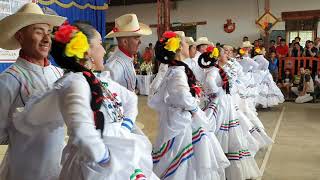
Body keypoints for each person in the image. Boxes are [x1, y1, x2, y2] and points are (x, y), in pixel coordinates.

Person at [15, 22, 159, 180]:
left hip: (116, 151)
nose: (104, 50)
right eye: (99, 44)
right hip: (92, 163)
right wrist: (104, 156)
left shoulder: (99, 79)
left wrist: (124, 128)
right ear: (87, 50)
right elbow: (81, 130)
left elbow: (131, 98)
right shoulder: (74, 83)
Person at [149, 31, 229, 180]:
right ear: (179, 47)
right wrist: (194, 109)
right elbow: (182, 95)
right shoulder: (178, 71)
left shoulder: (176, 68)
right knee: (183, 157)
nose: (189, 46)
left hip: (179, 118)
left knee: (185, 157)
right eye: (186, 43)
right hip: (182, 121)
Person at [0, 3, 66, 180]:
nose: (46, 39)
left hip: (58, 166)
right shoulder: (9, 80)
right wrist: (24, 134)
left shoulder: (59, 74)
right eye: (38, 32)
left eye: (48, 32)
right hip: (24, 170)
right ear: (20, 36)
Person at [199, 47, 261, 180]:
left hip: (225, 102)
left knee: (228, 130)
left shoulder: (219, 68)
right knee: (219, 129)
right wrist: (217, 91)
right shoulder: (214, 70)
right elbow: (209, 84)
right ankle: (219, 159)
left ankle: (224, 160)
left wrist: (218, 91)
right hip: (221, 102)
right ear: (216, 57)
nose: (227, 54)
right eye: (224, 53)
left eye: (227, 52)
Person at [104, 14, 152, 91]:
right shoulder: (113, 68)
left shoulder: (127, 59)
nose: (140, 42)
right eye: (136, 38)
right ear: (125, 42)